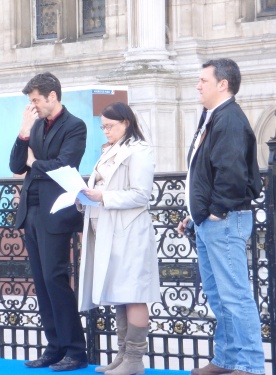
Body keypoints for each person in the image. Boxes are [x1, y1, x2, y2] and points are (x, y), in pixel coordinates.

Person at [177, 58, 265, 375]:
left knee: (235, 296)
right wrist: (194, 215)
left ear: (222, 84)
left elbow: (232, 172)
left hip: (224, 221)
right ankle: (227, 359)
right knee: (218, 296)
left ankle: (250, 365)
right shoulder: (213, 117)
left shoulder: (228, 119)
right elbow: (204, 172)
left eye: (203, 80)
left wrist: (215, 211)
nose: (197, 85)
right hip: (209, 221)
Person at [9, 72, 88, 371]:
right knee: (42, 283)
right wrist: (23, 133)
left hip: (56, 211)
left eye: (36, 100)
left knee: (56, 279)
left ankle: (75, 351)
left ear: (52, 96)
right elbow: (16, 165)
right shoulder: (36, 125)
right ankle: (54, 347)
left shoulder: (74, 126)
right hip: (31, 212)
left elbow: (65, 165)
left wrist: (34, 163)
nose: (34, 106)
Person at [77, 102, 160, 375]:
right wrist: (84, 196)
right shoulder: (110, 151)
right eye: (103, 127)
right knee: (121, 294)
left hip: (130, 231)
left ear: (126, 122)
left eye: (110, 126)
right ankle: (123, 355)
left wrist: (104, 196)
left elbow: (140, 194)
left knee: (134, 294)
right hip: (109, 230)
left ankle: (134, 359)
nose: (106, 132)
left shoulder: (140, 150)